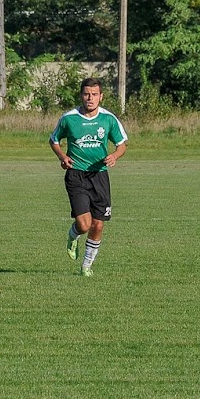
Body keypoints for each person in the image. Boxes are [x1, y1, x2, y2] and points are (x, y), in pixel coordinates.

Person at [49, 77, 128, 276]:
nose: (90, 98)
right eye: (86, 94)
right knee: (84, 225)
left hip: (100, 176)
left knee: (98, 224)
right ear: (81, 95)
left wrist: (115, 156)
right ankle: (73, 235)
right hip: (76, 175)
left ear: (101, 96)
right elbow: (54, 140)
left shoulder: (108, 119)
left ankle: (86, 266)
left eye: (94, 94)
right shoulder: (69, 118)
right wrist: (62, 156)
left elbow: (122, 144)